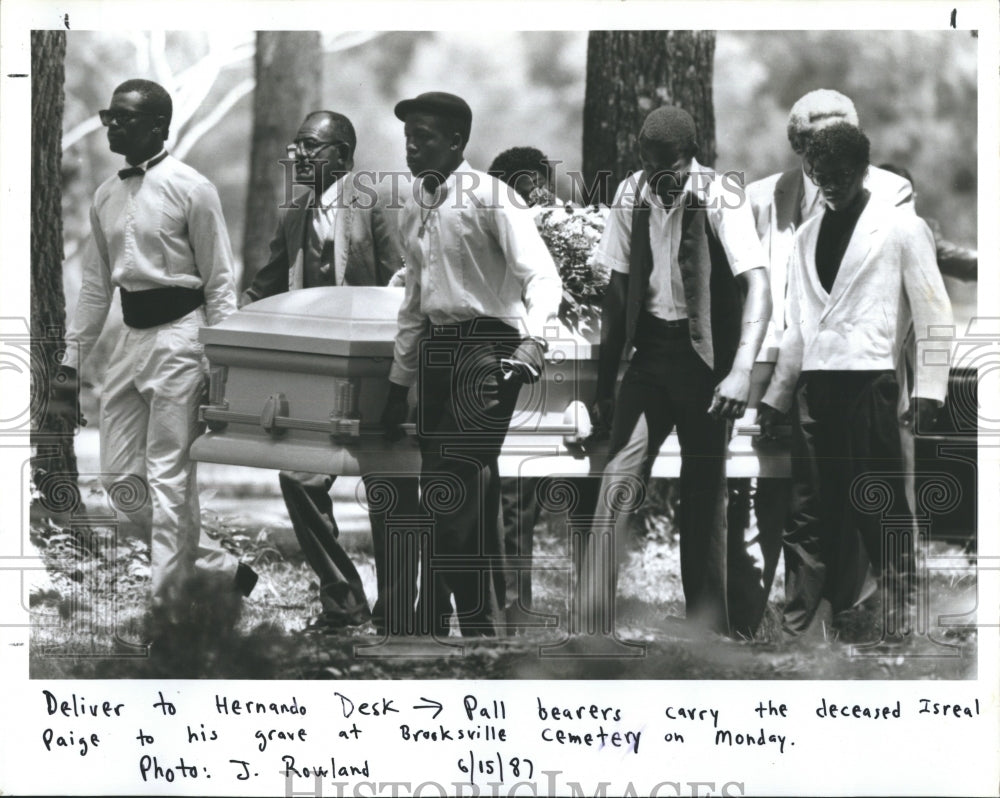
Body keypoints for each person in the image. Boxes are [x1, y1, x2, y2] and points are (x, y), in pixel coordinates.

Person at [58, 79, 256, 625]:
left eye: (124, 118)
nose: (113, 126)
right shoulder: (105, 194)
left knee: (170, 479)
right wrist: (71, 366)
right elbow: (97, 290)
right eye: (108, 116)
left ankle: (167, 608)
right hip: (131, 339)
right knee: (118, 480)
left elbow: (219, 283)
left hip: (183, 338)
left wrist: (224, 361)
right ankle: (217, 567)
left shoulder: (194, 188)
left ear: (157, 127)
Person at [579, 105, 772, 636]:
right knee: (618, 473)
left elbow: (758, 286)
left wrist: (739, 373)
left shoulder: (722, 196)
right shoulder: (629, 193)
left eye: (673, 172)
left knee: (705, 493)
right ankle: (591, 624)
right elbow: (617, 292)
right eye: (652, 170)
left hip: (707, 362)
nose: (661, 183)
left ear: (691, 160)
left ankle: (705, 627)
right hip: (650, 356)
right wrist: (605, 384)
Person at [757, 123, 953, 643]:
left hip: (871, 382)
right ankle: (799, 625)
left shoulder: (902, 228)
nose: (830, 186)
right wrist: (778, 394)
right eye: (820, 177)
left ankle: (901, 619)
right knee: (807, 509)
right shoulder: (803, 236)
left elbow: (935, 313)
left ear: (864, 171)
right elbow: (797, 325)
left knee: (880, 503)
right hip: (813, 390)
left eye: (841, 176)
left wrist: (931, 389)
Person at [380, 92, 562, 638]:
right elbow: (413, 305)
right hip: (437, 354)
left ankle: (468, 625)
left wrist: (535, 342)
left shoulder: (492, 196)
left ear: (457, 142)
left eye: (426, 138)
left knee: (448, 487)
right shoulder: (415, 207)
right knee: (464, 494)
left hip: (489, 352)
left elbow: (542, 277)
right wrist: (399, 384)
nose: (413, 148)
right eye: (408, 138)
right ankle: (466, 622)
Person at [242, 110, 420, 635]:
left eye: (310, 147)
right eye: (295, 146)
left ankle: (398, 613)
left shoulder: (377, 204)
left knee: (388, 486)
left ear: (342, 155)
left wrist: (398, 379)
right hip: (318, 377)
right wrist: (228, 327)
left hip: (382, 369)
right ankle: (343, 603)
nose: (297, 155)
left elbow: (404, 286)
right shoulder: (294, 214)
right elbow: (268, 283)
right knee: (298, 476)